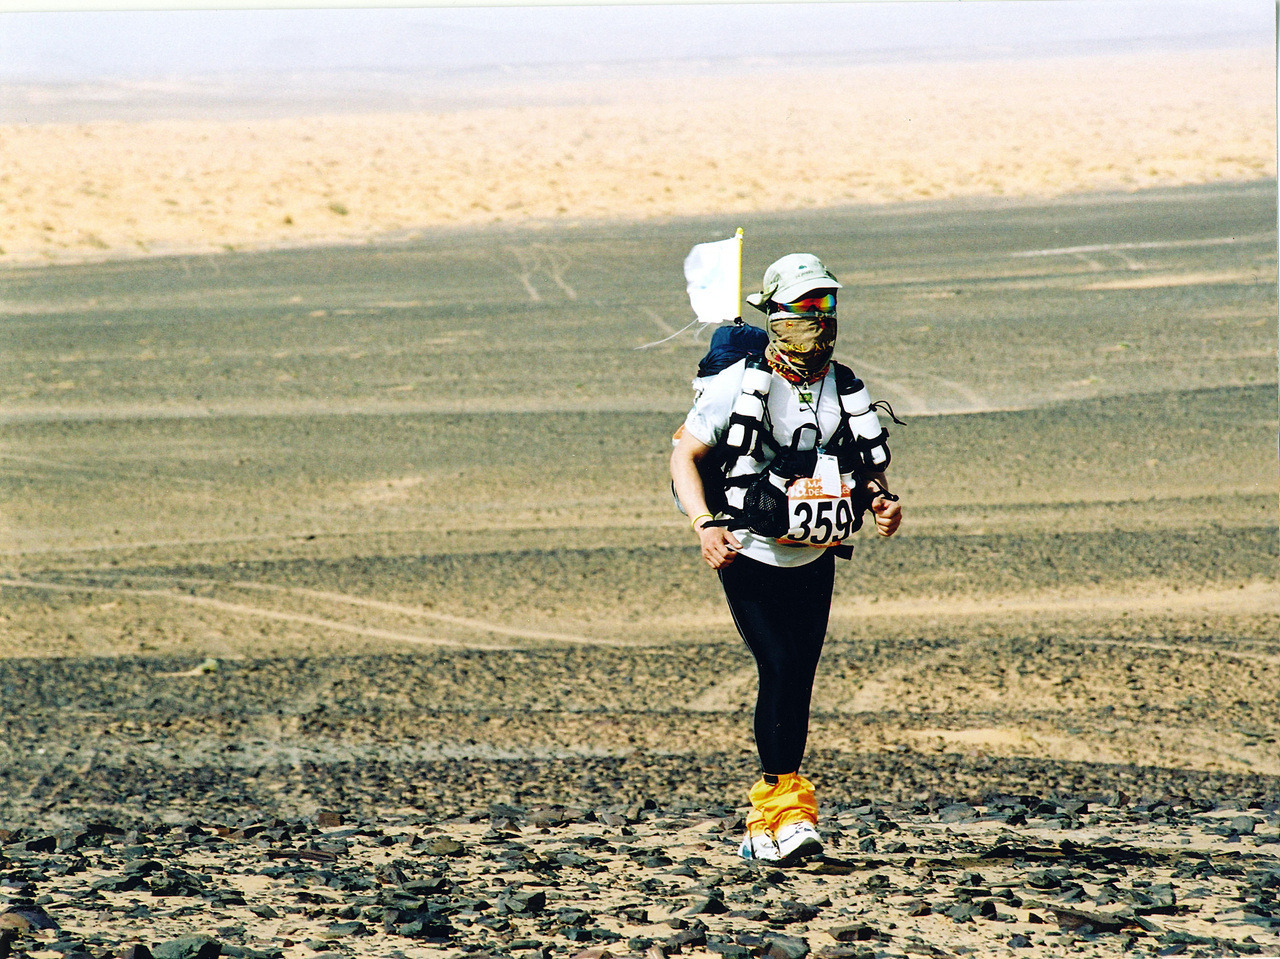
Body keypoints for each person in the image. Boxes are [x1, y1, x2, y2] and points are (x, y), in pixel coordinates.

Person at [670, 253, 903, 863]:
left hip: (814, 552)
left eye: (827, 303)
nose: (818, 318)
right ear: (773, 314)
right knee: (778, 664)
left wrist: (880, 501)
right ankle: (777, 813)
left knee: (799, 674)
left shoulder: (844, 386)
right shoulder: (739, 385)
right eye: (804, 306)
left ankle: (780, 821)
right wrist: (702, 525)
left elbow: (859, 463)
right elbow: (684, 454)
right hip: (748, 550)